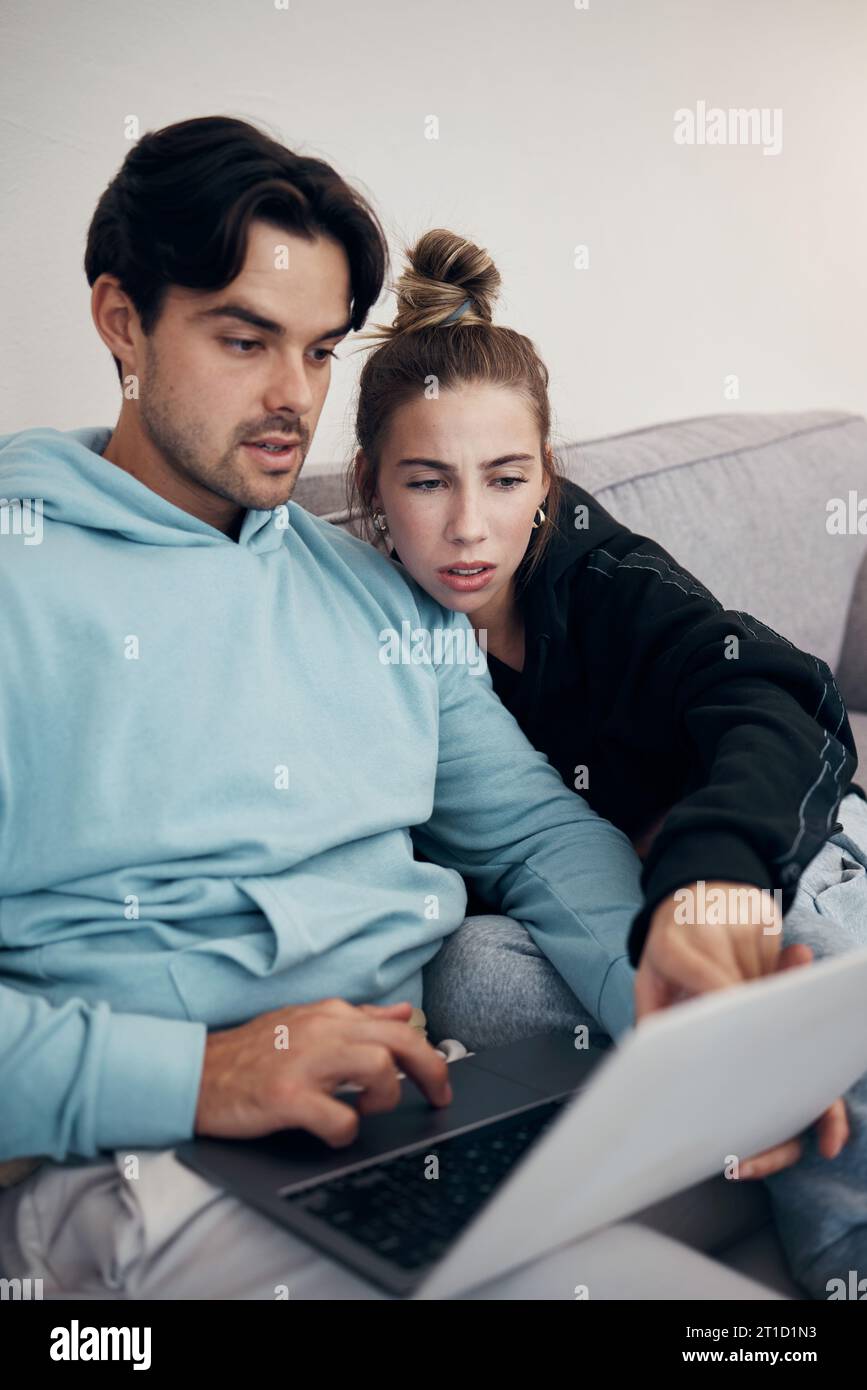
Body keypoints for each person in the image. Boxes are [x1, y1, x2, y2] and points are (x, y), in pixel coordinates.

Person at [0, 115, 774, 1302]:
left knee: (785, 1138)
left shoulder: (366, 590)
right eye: (245, 339)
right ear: (121, 320)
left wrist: (666, 1019)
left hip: (403, 1127)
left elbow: (533, 827)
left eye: (318, 351)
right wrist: (197, 1074)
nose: (290, 398)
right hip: (137, 1162)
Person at [347, 228, 867, 1297]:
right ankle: (710, 1070)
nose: (467, 527)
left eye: (503, 479)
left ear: (548, 479)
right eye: (427, 482)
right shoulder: (373, 631)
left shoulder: (605, 575)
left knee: (791, 948)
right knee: (475, 979)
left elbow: (776, 702)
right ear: (371, 488)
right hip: (593, 916)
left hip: (764, 845)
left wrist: (712, 872)